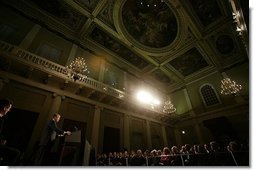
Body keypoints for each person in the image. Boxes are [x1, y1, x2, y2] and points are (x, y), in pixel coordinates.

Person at [0, 99, 21, 166]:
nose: (9, 110)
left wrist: (3, 140)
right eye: (9, 108)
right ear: (4, 108)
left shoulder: (3, 118)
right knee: (16, 153)